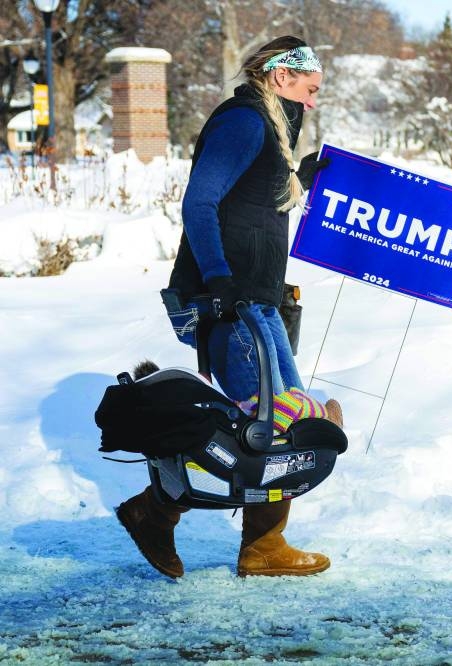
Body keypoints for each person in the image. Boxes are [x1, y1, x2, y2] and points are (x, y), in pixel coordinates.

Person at [116, 36, 339, 579]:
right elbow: (200, 200)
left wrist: (303, 176)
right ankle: (154, 512)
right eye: (309, 83)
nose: (315, 95)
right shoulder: (243, 122)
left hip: (258, 302)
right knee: (262, 427)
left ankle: (263, 545)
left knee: (282, 423)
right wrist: (217, 280)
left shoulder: (272, 128)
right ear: (281, 76)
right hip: (231, 302)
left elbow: (255, 207)